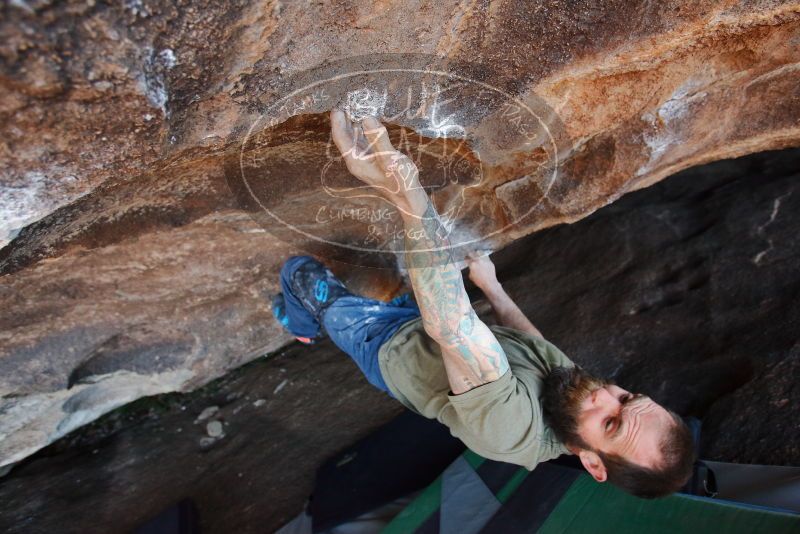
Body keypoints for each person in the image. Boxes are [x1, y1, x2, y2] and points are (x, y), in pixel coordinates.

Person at [271, 111, 695, 499]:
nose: (606, 396)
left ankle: (300, 323)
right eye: (628, 397)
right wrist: (493, 289)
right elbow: (538, 346)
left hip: (386, 347)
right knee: (408, 286)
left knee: (300, 272)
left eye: (611, 424)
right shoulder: (577, 398)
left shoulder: (510, 430)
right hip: (423, 326)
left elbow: (454, 328)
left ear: (592, 463)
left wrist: (406, 191)